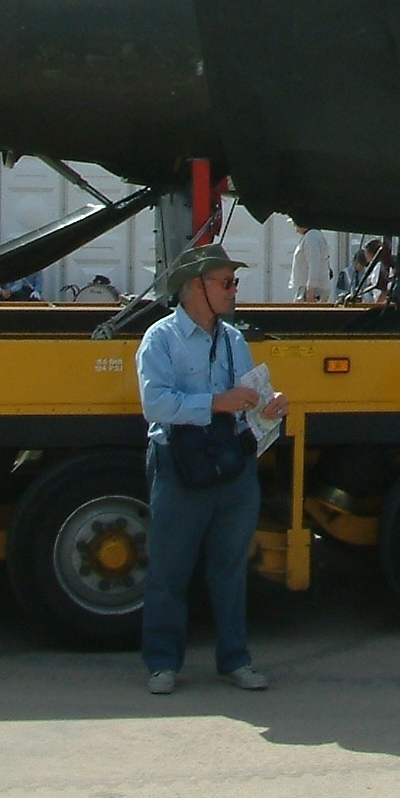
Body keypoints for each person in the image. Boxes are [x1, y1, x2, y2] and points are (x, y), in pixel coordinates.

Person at [137, 243, 289, 695]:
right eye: (226, 282)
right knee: (169, 569)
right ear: (195, 288)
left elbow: (250, 401)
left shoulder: (234, 340)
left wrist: (270, 406)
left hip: (232, 468)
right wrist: (216, 404)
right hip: (180, 468)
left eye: (233, 282)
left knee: (230, 568)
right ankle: (162, 664)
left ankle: (235, 660)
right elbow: (155, 405)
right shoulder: (160, 339)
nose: (233, 290)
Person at [289, 225, 333, 303]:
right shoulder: (314, 235)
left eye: (296, 226)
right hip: (309, 288)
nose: (296, 230)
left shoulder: (312, 238)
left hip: (312, 290)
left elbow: (314, 264)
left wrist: (310, 291)